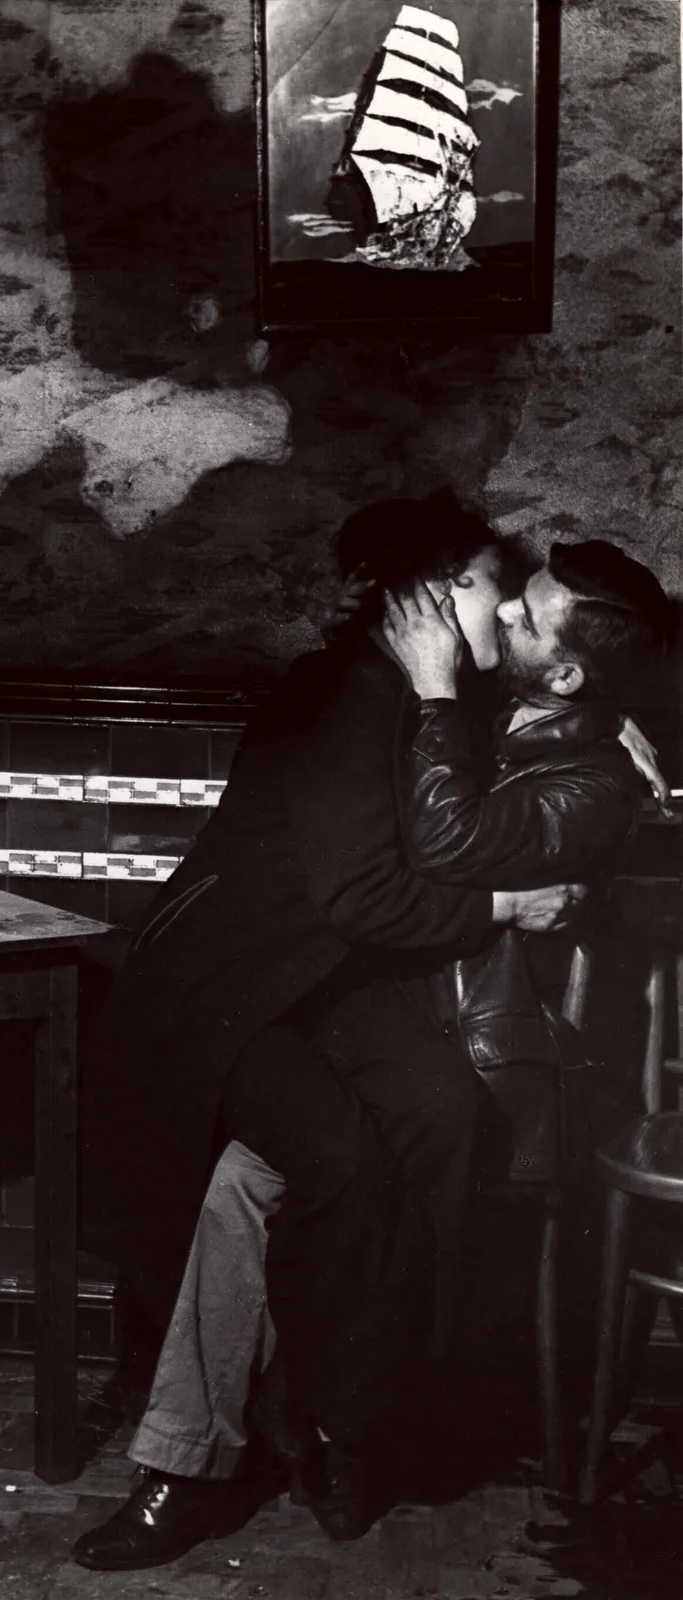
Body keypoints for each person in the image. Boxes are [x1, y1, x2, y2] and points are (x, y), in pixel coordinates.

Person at [75, 499, 674, 1569]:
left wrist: (616, 720)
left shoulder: (466, 694)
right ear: (438, 603)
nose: (511, 607)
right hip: (239, 991)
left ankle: (341, 1419)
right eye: (504, 587)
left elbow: (531, 705)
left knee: (431, 1112)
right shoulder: (352, 695)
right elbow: (376, 889)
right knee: (291, 1169)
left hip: (352, 999)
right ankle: (199, 1462)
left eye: (522, 603)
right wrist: (507, 903)